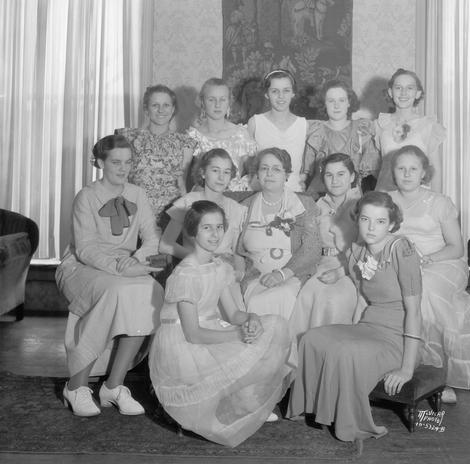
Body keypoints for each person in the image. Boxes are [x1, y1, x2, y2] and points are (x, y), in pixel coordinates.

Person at [288, 191, 438, 443]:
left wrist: (406, 368)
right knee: (312, 338)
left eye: (380, 222)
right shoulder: (356, 249)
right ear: (357, 220)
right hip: (370, 323)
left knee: (346, 352)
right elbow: (349, 265)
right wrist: (338, 273)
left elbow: (414, 312)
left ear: (391, 224)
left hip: (399, 336)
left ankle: (348, 422)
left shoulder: (403, 250)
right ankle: (312, 408)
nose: (371, 227)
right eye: (365, 219)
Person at [149, 200, 292, 447]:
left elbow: (234, 313)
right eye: (207, 228)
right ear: (192, 232)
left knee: (276, 326)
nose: (215, 234)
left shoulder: (219, 267)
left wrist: (252, 320)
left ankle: (240, 400)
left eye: (218, 227)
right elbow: (192, 334)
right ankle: (215, 405)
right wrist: (238, 336)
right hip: (184, 345)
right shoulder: (185, 274)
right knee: (240, 357)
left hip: (212, 329)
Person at [55, 134, 164, 417]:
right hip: (81, 267)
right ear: (100, 162)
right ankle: (76, 386)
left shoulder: (137, 194)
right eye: (116, 162)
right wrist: (123, 268)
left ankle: (113, 386)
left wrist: (139, 260)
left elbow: (152, 236)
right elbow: (87, 249)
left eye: (128, 162)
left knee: (150, 291)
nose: (123, 168)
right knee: (114, 291)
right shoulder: (87, 197)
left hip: (124, 264)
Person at [386, 145, 470, 403]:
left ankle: (438, 377)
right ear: (393, 171)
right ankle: (395, 365)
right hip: (399, 263)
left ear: (424, 172)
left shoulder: (439, 202)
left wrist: (426, 260)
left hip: (442, 262)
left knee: (422, 290)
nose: (406, 174)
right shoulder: (386, 200)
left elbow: (456, 247)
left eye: (413, 169)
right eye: (400, 168)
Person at [237, 147, 320, 327]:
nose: (269, 173)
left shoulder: (304, 204)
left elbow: (312, 248)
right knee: (256, 302)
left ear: (287, 175)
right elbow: (236, 250)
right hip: (255, 277)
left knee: (280, 296)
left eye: (276, 169)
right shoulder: (244, 207)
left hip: (293, 275)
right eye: (264, 168)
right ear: (257, 174)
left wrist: (282, 274)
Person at [289, 153, 360, 338]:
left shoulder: (363, 205)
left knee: (333, 299)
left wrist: (341, 272)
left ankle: (334, 355)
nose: (335, 181)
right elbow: (308, 243)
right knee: (309, 294)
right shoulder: (316, 205)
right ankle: (309, 354)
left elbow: (369, 250)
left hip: (354, 266)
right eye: (329, 175)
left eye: (341, 174)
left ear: (352, 177)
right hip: (323, 262)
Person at [159, 148, 246, 278]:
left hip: (225, 270)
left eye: (226, 172)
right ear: (203, 173)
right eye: (215, 170)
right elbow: (165, 245)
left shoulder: (237, 209)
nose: (221, 177)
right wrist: (203, 258)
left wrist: (239, 273)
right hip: (196, 268)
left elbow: (237, 252)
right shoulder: (187, 202)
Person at [116, 84, 196, 223]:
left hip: (172, 217)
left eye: (166, 105)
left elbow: (182, 183)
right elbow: (113, 171)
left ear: (173, 109)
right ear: (146, 109)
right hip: (134, 214)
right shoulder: (128, 137)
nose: (161, 110)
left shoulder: (185, 142)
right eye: (155, 105)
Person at [375, 68, 446, 193]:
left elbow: (436, 170)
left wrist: (435, 203)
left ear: (418, 93)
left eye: (409, 88)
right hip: (386, 195)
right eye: (398, 88)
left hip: (417, 196)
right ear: (390, 92)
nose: (403, 93)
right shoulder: (380, 124)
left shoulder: (428, 126)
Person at [302, 80, 379, 193]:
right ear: (324, 103)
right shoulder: (316, 131)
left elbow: (373, 172)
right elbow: (304, 175)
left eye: (341, 100)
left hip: (352, 195)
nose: (336, 105)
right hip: (320, 194)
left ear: (349, 102)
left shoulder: (361, 129)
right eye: (331, 101)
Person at [187, 78, 258, 191]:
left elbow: (253, 171)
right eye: (211, 99)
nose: (217, 105)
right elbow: (184, 176)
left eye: (222, 99)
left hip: (235, 197)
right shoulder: (194, 136)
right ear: (202, 102)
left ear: (229, 102)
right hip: (205, 200)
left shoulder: (241, 134)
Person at [247, 69, 308, 192]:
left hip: (293, 191)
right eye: (275, 91)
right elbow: (249, 163)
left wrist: (304, 178)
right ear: (266, 94)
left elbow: (307, 163)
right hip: (261, 190)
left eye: (286, 91)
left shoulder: (303, 124)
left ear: (293, 93)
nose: (281, 96)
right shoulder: (255, 122)